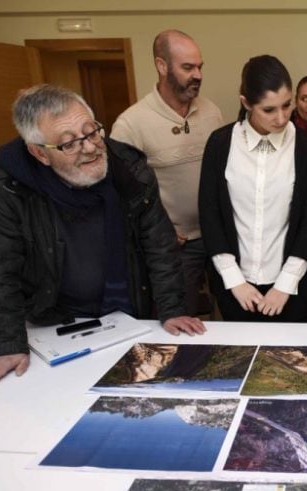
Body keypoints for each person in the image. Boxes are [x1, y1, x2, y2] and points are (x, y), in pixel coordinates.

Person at [0, 84, 205, 390]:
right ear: (39, 152)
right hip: (55, 322)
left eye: (91, 132)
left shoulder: (128, 167)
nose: (91, 147)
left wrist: (172, 309)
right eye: (69, 144)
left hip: (128, 315)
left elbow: (158, 243)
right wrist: (7, 344)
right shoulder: (10, 185)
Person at [198, 55, 307, 322]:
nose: (281, 118)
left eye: (287, 105)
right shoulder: (220, 144)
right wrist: (234, 281)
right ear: (246, 103)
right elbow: (210, 215)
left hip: (292, 289)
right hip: (235, 287)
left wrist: (285, 285)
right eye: (269, 110)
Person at [111, 29, 222, 316]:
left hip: (218, 237)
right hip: (175, 247)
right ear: (162, 66)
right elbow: (121, 197)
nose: (197, 75)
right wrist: (161, 229)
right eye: (188, 67)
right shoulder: (130, 125)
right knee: (180, 319)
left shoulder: (212, 112)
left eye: (200, 67)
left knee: (229, 317)